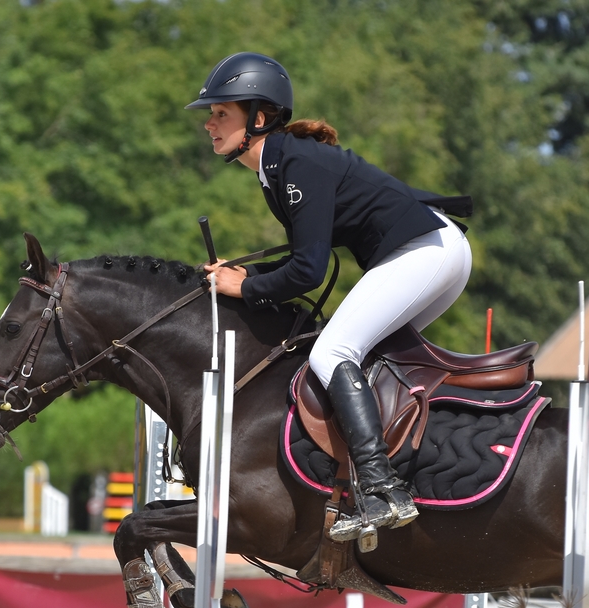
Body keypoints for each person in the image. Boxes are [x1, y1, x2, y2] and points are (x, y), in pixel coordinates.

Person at [187, 52, 473, 540]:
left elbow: (308, 271)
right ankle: (411, 470)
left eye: (221, 113)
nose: (210, 123)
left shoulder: (294, 162)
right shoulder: (276, 167)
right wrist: (247, 275)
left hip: (427, 250)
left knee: (334, 351)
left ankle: (383, 490)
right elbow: (303, 260)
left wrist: (247, 286)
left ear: (258, 118)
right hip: (433, 251)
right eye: (211, 114)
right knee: (363, 361)